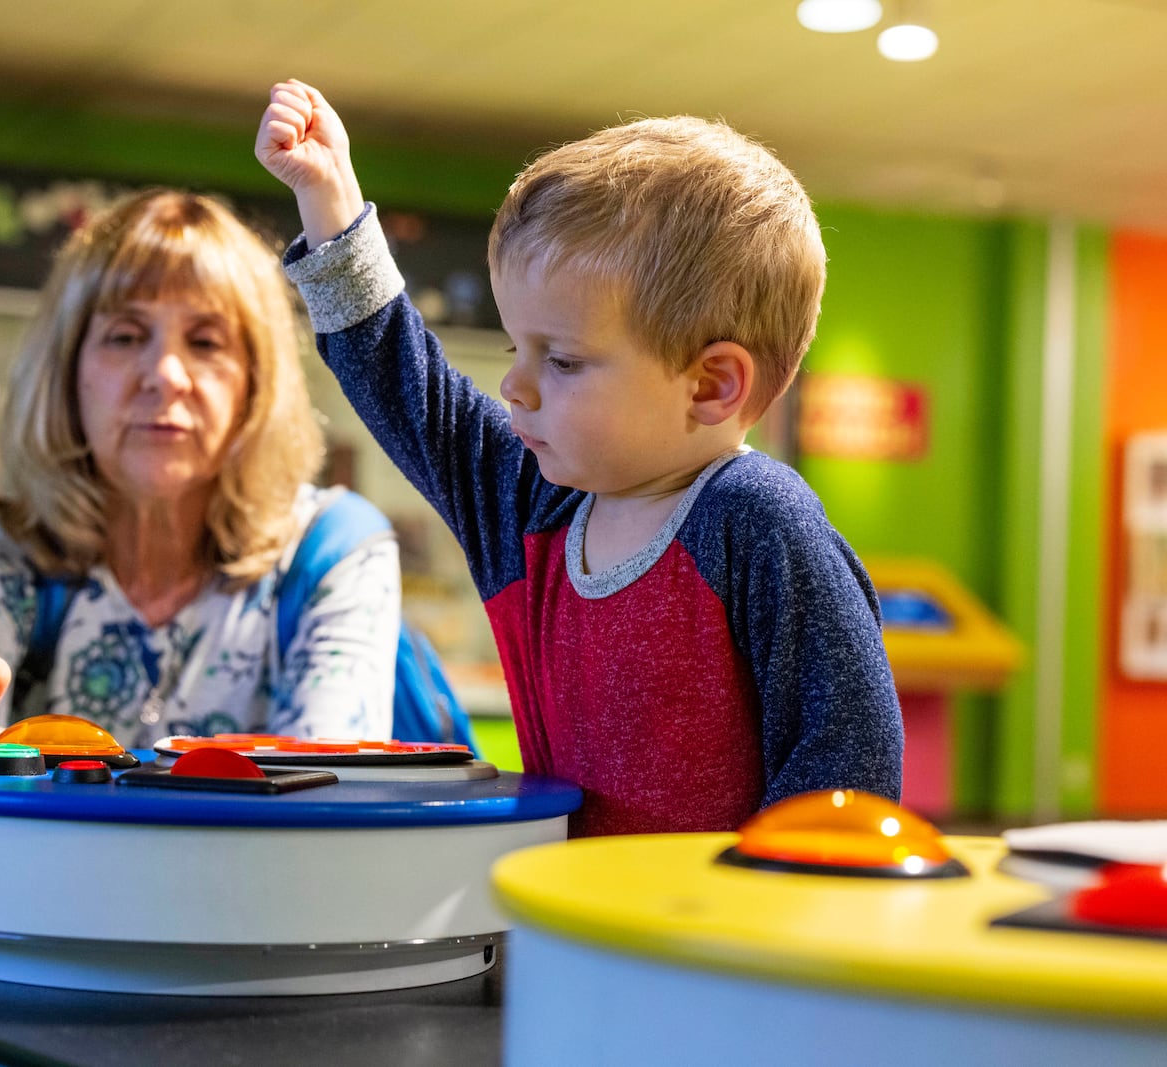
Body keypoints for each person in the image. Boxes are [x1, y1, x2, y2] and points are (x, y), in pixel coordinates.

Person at [256, 80, 903, 837]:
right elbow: (405, 384)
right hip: (563, 930)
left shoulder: (759, 522)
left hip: (716, 942)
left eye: (561, 360)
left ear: (711, 383)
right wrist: (332, 208)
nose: (514, 385)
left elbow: (847, 765)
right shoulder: (531, 502)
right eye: (514, 347)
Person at [0, 189, 400, 753]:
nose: (166, 374)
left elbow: (333, 795)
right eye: (125, 336)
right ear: (67, 375)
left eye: (205, 341)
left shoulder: (333, 551)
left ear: (257, 384)